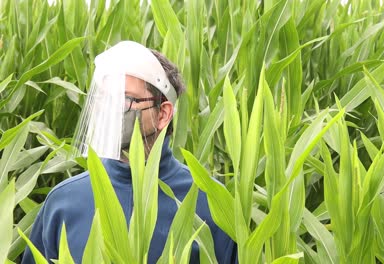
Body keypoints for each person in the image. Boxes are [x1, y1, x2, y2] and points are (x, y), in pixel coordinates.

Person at [22, 41, 237, 263]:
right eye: (104, 99)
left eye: (125, 99)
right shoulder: (64, 202)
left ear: (163, 114)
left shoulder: (209, 202)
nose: (110, 110)